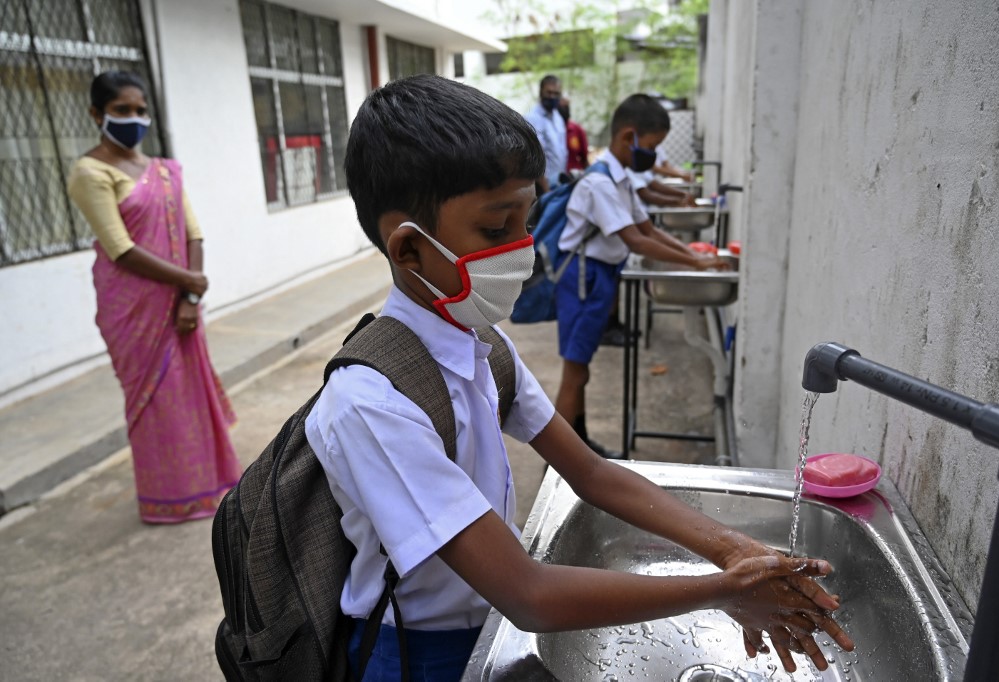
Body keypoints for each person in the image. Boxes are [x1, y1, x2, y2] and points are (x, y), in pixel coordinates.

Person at [306, 74, 854, 682]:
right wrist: (723, 591)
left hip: (484, 626)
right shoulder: (370, 403)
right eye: (496, 229)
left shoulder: (481, 343)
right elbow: (528, 593)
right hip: (416, 655)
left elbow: (591, 472)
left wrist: (731, 547)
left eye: (526, 219)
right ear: (408, 251)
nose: (524, 247)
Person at [67, 71, 241, 523]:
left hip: (178, 299)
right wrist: (190, 281)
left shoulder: (164, 171)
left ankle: (210, 486)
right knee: (156, 401)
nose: (134, 119)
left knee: (188, 394)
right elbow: (120, 248)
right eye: (122, 110)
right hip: (133, 308)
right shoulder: (91, 173)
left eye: (140, 110)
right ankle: (167, 497)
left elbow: (193, 233)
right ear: (96, 114)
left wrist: (190, 294)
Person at [554, 94, 726, 457]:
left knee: (582, 368)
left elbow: (649, 229)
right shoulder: (599, 183)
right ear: (628, 135)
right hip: (584, 278)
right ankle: (559, 462)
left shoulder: (621, 179)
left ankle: (579, 442)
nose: (652, 155)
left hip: (600, 276)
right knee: (575, 371)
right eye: (651, 147)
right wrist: (696, 264)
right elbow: (633, 239)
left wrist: (694, 258)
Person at [524, 74, 567, 194]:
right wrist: (546, 190)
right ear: (541, 92)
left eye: (556, 93)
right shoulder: (532, 119)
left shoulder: (558, 118)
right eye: (549, 92)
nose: (552, 96)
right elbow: (535, 157)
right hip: (542, 187)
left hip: (559, 182)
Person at [558, 97, 589, 175]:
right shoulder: (549, 130)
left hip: (574, 176)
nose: (564, 110)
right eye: (561, 107)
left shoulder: (577, 130)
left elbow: (584, 157)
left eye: (566, 107)